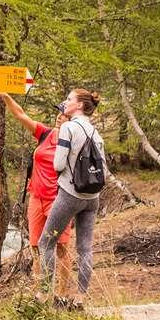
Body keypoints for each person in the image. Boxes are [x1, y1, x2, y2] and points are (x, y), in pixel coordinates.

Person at [0, 92, 73, 296]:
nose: (59, 116)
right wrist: (5, 97)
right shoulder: (44, 134)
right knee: (36, 248)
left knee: (61, 248)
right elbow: (21, 115)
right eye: (59, 112)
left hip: (59, 201)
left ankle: (62, 296)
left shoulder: (74, 143)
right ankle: (40, 294)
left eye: (64, 114)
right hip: (36, 199)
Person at [40, 88, 105, 308]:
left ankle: (44, 295)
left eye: (69, 99)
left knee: (46, 242)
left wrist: (62, 175)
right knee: (85, 248)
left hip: (70, 193)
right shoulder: (95, 133)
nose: (65, 103)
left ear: (78, 105)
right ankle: (81, 297)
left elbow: (58, 164)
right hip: (92, 196)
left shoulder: (68, 128)